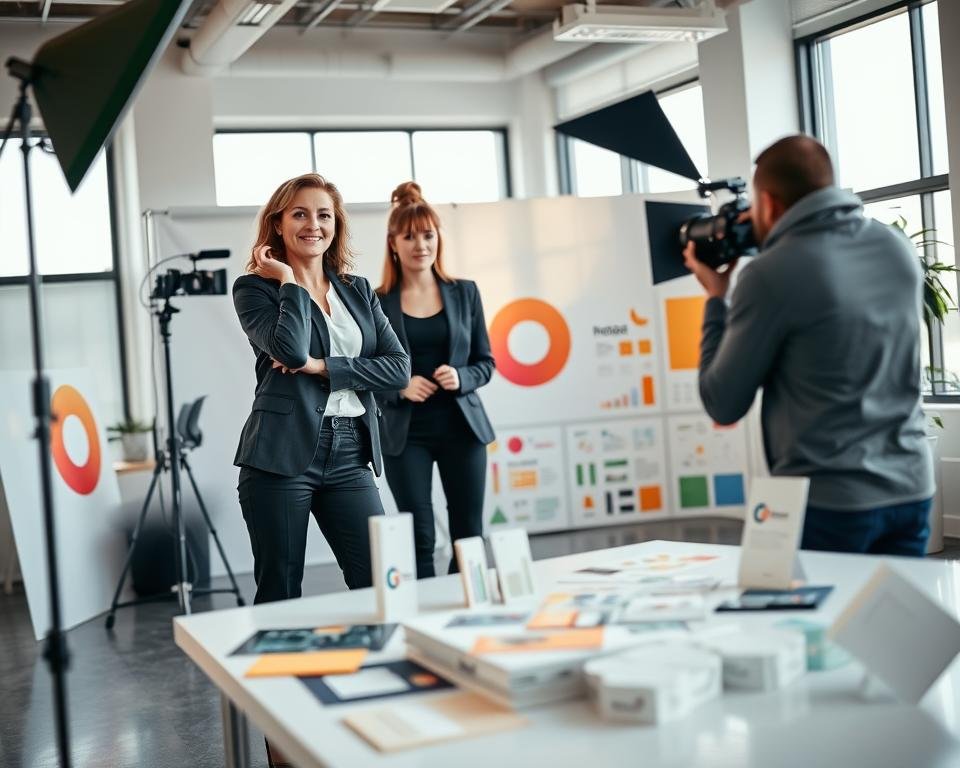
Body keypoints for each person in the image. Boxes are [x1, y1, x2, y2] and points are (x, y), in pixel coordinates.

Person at [683, 134, 934, 557]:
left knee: (813, 623)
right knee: (891, 622)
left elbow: (722, 402)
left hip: (826, 505)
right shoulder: (896, 246)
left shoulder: (769, 274)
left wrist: (715, 299)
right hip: (911, 490)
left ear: (770, 204)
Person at [233, 172, 410, 603]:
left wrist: (323, 366)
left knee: (380, 583)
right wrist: (290, 283)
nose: (313, 224)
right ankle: (280, 670)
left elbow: (399, 368)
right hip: (280, 455)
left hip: (351, 452)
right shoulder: (255, 289)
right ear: (278, 224)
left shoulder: (358, 290)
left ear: (336, 224)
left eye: (323, 215)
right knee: (281, 591)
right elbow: (290, 352)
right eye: (300, 214)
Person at [375, 181, 496, 578]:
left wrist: (461, 377)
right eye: (409, 236)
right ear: (393, 242)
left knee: (468, 534)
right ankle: (425, 621)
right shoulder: (374, 300)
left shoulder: (465, 292)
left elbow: (485, 362)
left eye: (428, 235)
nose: (420, 245)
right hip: (405, 434)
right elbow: (364, 371)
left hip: (462, 429)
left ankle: (466, 616)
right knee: (418, 537)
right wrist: (399, 385)